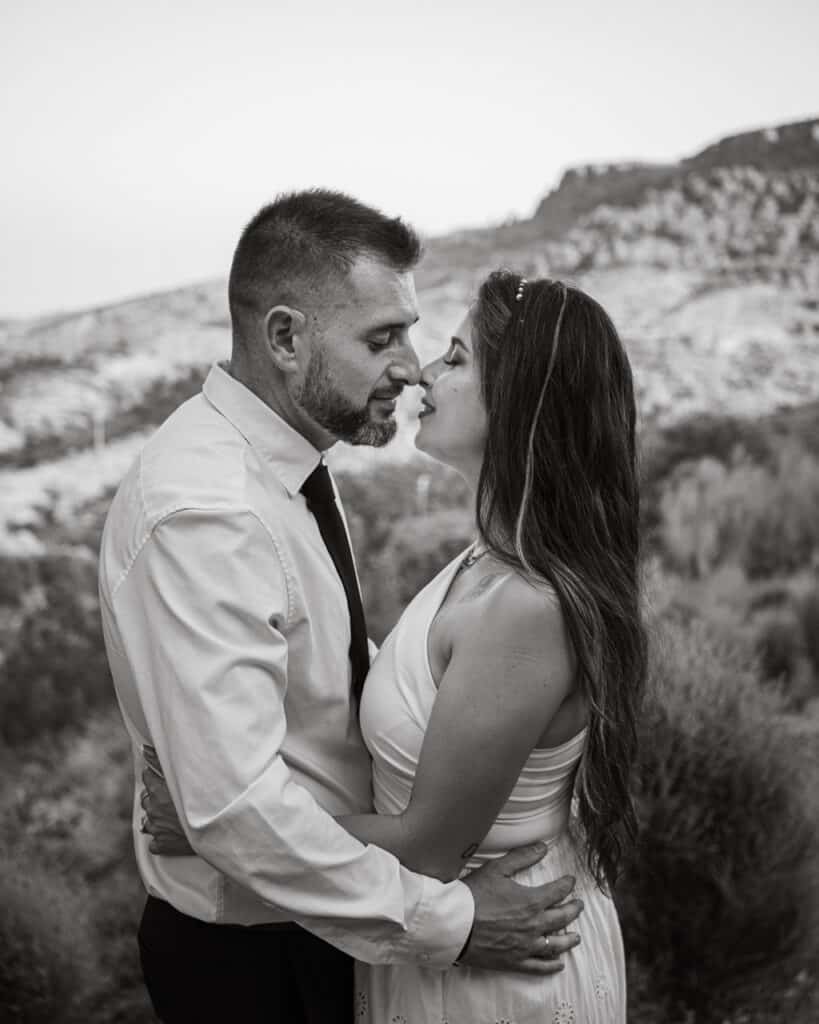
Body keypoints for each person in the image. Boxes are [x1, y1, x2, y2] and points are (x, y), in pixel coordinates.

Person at [98, 190, 583, 1024]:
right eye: (380, 338)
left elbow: (302, 711)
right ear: (285, 337)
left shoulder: (282, 473)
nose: (410, 366)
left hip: (334, 922)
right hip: (260, 963)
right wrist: (454, 924)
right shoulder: (209, 511)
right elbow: (237, 811)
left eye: (415, 335)